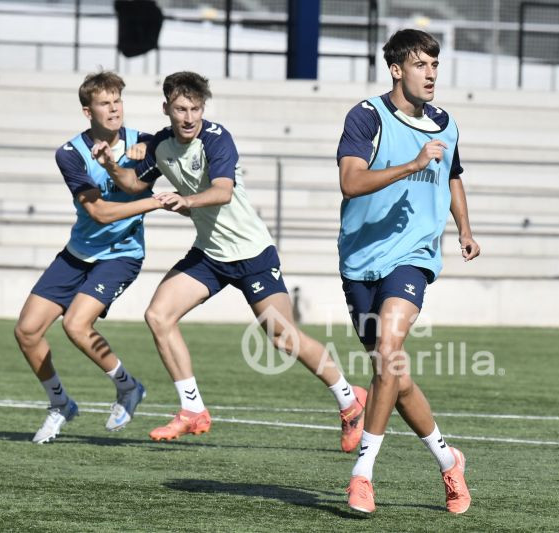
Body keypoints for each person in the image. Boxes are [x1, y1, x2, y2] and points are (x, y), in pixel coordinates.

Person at [92, 71, 367, 451]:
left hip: (252, 254)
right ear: (166, 108)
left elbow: (222, 191)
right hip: (210, 254)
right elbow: (135, 184)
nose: (189, 117)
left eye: (195, 109)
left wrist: (186, 200)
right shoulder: (160, 145)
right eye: (181, 109)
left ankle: (350, 401)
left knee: (283, 337)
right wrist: (110, 164)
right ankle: (193, 409)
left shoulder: (216, 138)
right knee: (158, 315)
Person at [336, 29, 481, 514]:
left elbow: (452, 176)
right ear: (397, 70)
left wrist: (464, 229)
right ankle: (448, 460)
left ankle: (362, 474)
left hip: (414, 256)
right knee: (393, 375)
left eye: (435, 65)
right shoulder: (367, 116)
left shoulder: (445, 123)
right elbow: (351, 181)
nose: (431, 74)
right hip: (360, 261)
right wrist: (412, 164)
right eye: (421, 65)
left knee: (386, 354)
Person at [14, 71, 162, 444]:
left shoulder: (145, 142)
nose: (114, 109)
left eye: (117, 101)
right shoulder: (70, 154)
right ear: (87, 111)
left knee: (76, 325)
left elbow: (164, 152)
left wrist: (146, 152)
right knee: (27, 331)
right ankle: (60, 404)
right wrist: (156, 203)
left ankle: (128, 387)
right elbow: (98, 213)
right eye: (104, 103)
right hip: (78, 253)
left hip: (121, 254)